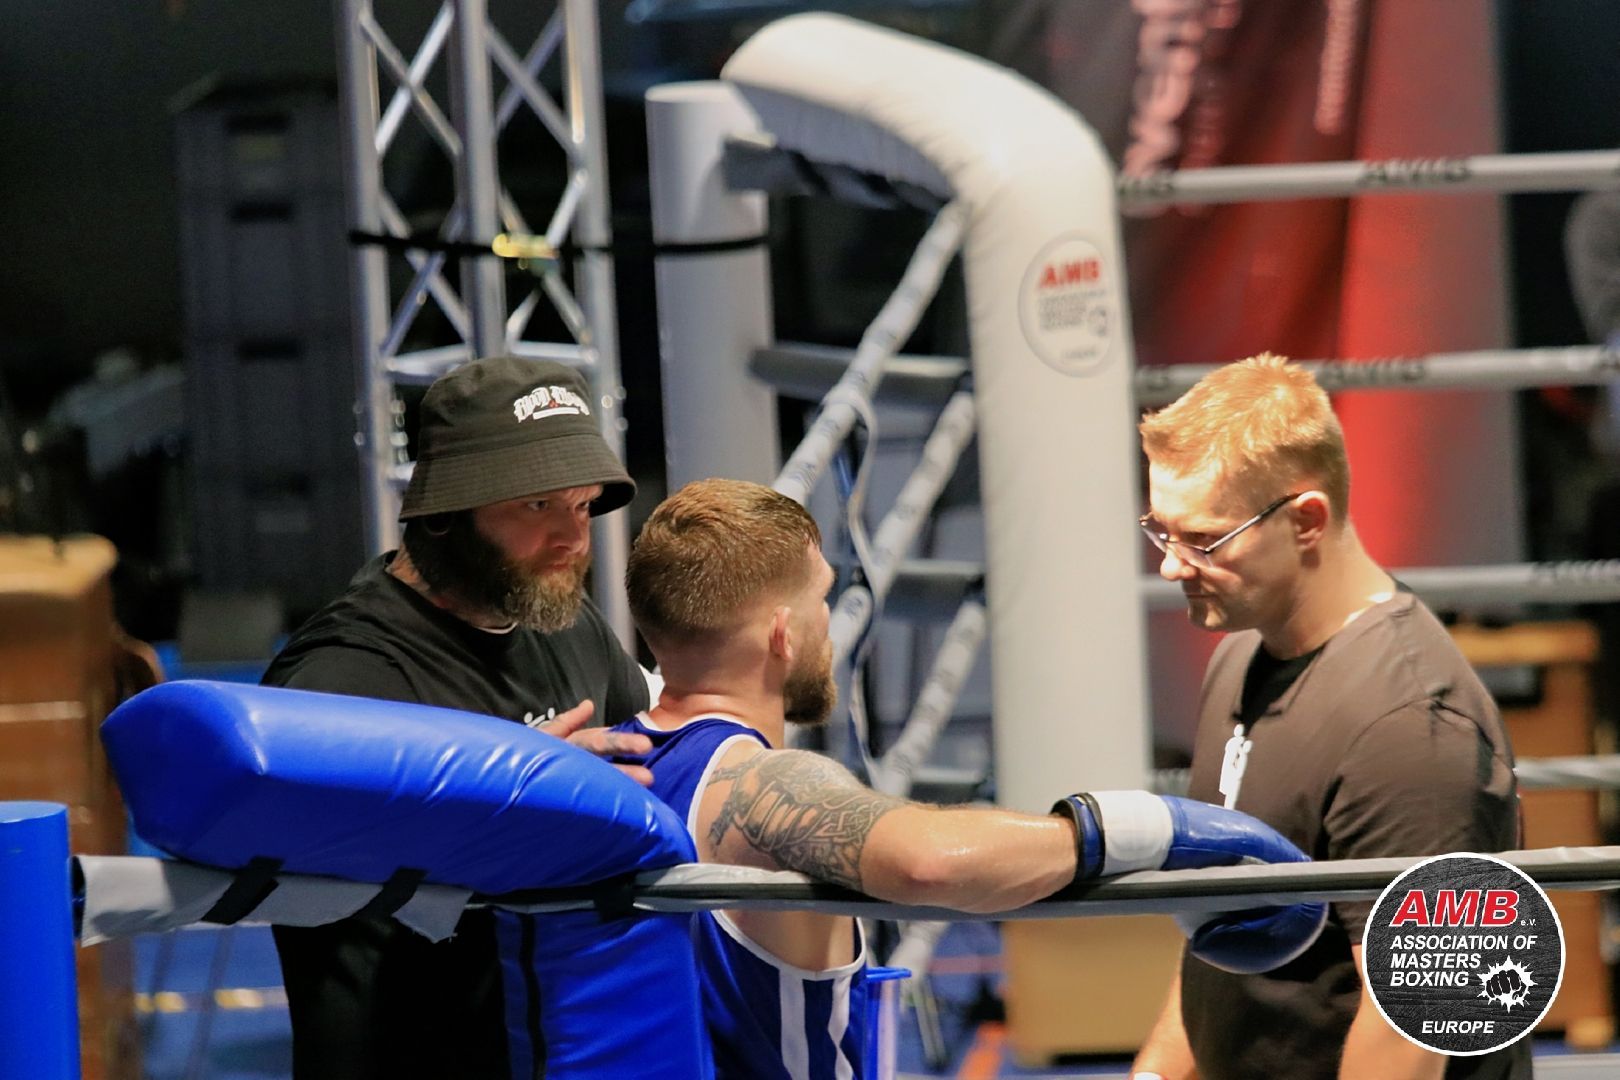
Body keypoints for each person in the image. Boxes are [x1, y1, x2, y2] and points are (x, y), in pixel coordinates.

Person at [613, 477, 1328, 1079]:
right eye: (821, 598)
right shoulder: (757, 782)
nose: (828, 623)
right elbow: (928, 861)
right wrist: (1157, 830)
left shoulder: (614, 762)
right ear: (782, 634)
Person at [261, 355, 657, 1080]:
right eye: (538, 506)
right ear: (445, 512)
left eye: (581, 505)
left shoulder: (564, 624)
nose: (573, 538)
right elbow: (305, 863)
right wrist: (507, 787)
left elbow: (651, 760)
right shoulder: (341, 679)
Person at [1129, 355, 1525, 1080]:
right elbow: (1217, 938)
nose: (1171, 566)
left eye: (1203, 540)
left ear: (1306, 521)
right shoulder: (1239, 657)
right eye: (1163, 532)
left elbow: (1412, 1028)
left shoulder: (1412, 725)